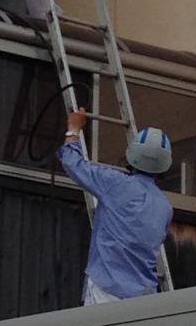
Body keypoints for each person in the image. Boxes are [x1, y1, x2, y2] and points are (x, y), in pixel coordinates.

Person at [58, 108, 173, 305]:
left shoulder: (115, 183)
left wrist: (73, 128)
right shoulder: (165, 208)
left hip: (106, 288)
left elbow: (72, 162)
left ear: (132, 155)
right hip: (144, 298)